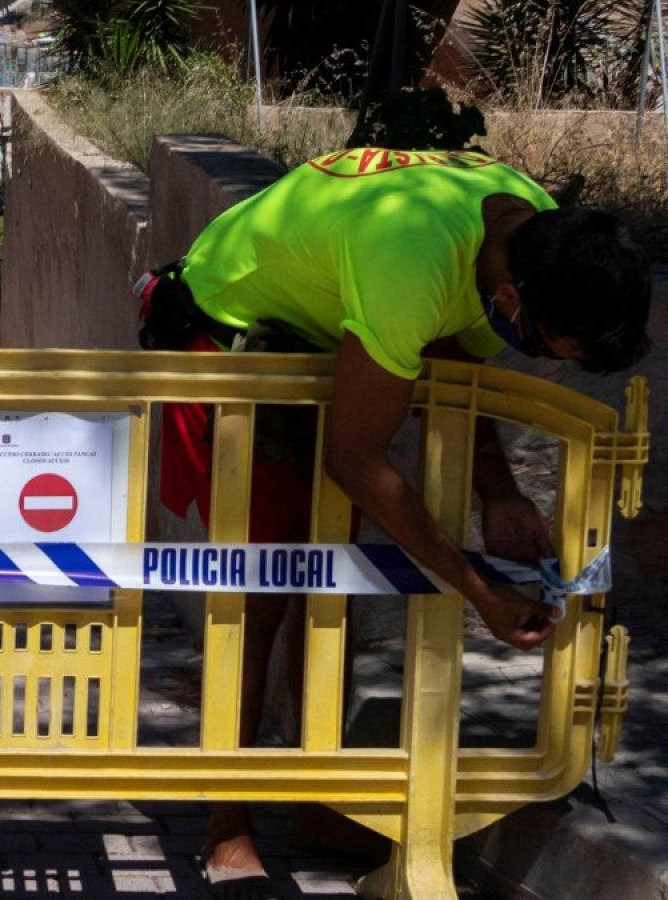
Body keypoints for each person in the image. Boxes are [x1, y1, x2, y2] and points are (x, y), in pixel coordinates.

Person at [134, 147, 651, 898]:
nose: (542, 363)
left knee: (329, 592)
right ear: (512, 300)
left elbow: (447, 358)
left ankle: (315, 802)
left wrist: (498, 494)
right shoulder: (410, 258)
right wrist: (478, 588)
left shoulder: (527, 220)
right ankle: (228, 826)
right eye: (546, 348)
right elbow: (358, 457)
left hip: (324, 333)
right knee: (261, 592)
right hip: (235, 335)